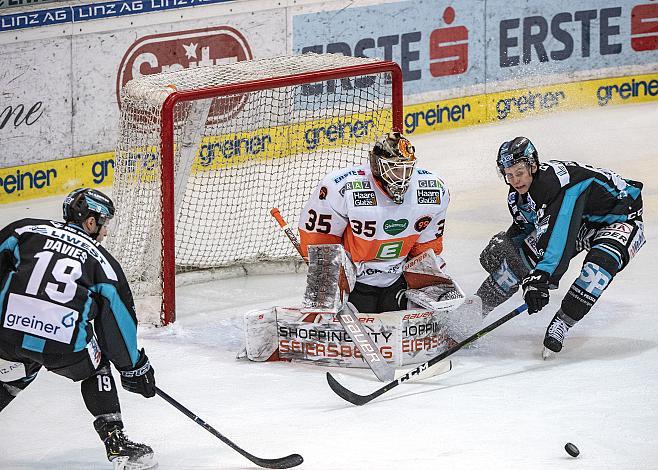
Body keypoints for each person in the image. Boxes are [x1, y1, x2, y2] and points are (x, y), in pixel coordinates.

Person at [0, 188, 157, 469]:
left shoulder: (22, 230)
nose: (105, 232)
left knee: (18, 368)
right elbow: (117, 325)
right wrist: (135, 367)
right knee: (97, 362)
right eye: (104, 223)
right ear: (90, 221)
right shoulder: (104, 262)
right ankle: (116, 442)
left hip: (6, 335)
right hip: (64, 347)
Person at [474, 136, 645, 356]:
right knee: (517, 262)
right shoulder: (517, 197)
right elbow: (530, 229)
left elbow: (558, 233)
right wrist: (508, 244)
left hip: (620, 218)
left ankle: (562, 323)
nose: (515, 180)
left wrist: (542, 277)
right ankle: (473, 313)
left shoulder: (556, 183)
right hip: (581, 221)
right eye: (509, 175)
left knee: (599, 267)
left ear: (533, 165)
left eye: (519, 172)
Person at [298, 131, 450, 313]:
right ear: (377, 166)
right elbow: (319, 239)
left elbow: (427, 249)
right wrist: (330, 282)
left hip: (398, 279)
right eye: (394, 168)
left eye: (407, 168)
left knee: (404, 319)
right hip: (354, 281)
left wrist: (424, 282)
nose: (402, 176)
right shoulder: (343, 186)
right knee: (355, 314)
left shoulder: (432, 190)